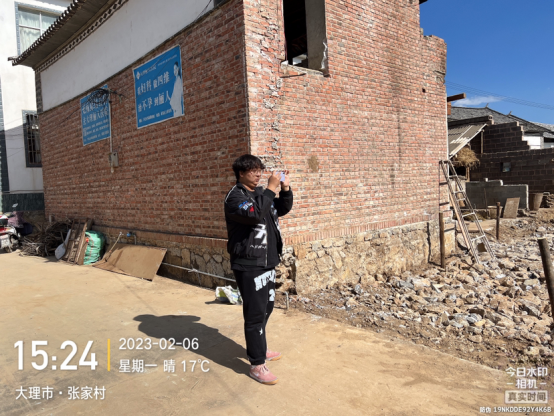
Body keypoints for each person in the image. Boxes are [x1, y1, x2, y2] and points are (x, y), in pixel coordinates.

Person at [224, 154, 293, 385]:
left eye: (260, 170)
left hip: (267, 261)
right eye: (253, 171)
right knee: (254, 314)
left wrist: (284, 189)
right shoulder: (235, 197)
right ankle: (256, 364)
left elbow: (281, 208)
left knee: (266, 308)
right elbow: (254, 215)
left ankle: (259, 348)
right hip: (249, 264)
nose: (258, 174)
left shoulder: (261, 194)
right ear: (241, 173)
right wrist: (271, 188)